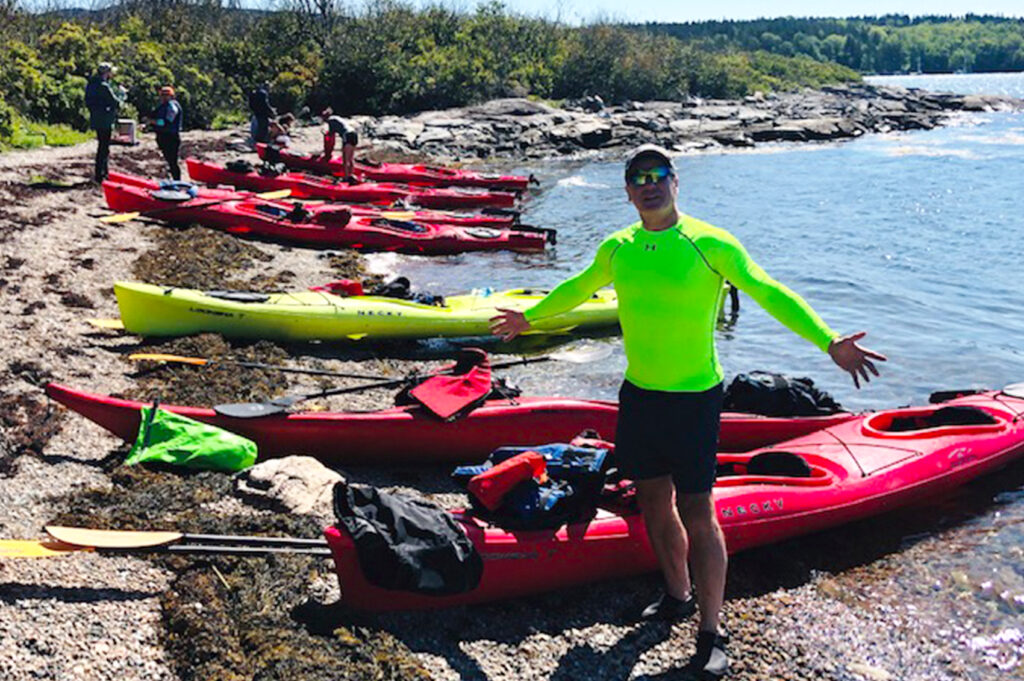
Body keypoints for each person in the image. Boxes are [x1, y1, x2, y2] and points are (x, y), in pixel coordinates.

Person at [490, 144, 886, 679]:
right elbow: (578, 289)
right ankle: (676, 595)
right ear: (628, 191)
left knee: (699, 512)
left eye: (659, 175)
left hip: (696, 400)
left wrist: (829, 340)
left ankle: (711, 628)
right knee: (653, 501)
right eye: (638, 177)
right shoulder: (619, 247)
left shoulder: (710, 243)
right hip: (640, 395)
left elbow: (769, 292)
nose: (649, 184)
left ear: (676, 183)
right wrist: (529, 318)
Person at [84, 62, 126, 182]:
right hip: (105, 120)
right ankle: (101, 175)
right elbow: (115, 103)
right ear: (107, 73)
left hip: (96, 119)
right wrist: (122, 95)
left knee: (102, 146)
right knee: (104, 148)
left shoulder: (91, 84)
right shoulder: (104, 86)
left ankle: (102, 173)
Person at [148, 86, 183, 181]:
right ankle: (171, 179)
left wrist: (152, 122)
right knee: (168, 160)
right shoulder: (162, 106)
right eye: (162, 95)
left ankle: (177, 181)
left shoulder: (172, 107)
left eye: (166, 95)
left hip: (171, 137)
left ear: (171, 96)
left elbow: (166, 122)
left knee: (172, 161)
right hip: (163, 136)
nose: (163, 97)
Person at [320, 108, 358, 179]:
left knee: (345, 159)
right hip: (354, 133)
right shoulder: (337, 118)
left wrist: (324, 133)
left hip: (347, 135)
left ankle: (346, 177)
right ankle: (351, 174)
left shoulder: (330, 121)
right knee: (351, 158)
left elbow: (331, 135)